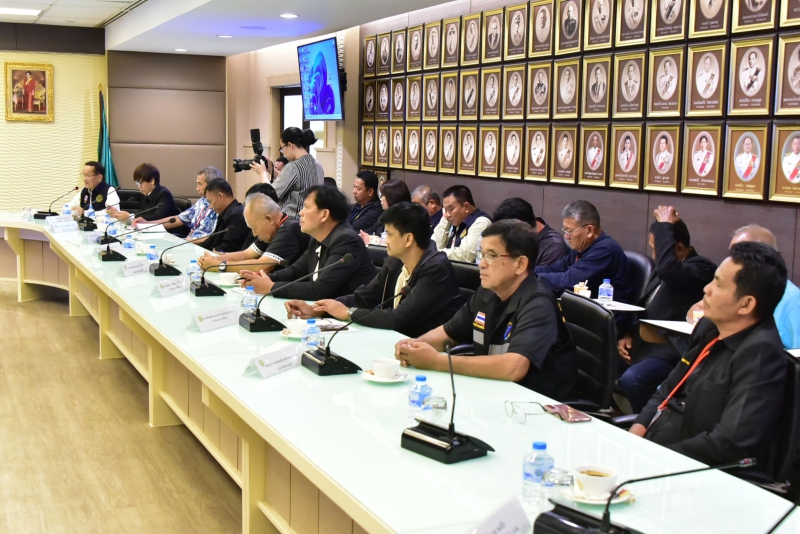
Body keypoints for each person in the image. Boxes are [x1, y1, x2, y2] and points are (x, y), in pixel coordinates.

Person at [630, 242, 789, 466]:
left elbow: (729, 443)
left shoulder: (761, 354)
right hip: (653, 448)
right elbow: (667, 389)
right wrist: (634, 437)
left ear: (746, 304)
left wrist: (657, 457)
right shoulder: (708, 327)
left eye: (719, 285)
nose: (707, 289)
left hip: (690, 466)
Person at [395, 220, 577, 400]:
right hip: (494, 394)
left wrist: (437, 362)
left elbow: (513, 367)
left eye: (491, 256)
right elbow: (449, 333)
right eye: (481, 254)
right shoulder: (487, 292)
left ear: (520, 264)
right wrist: (413, 346)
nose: (482, 263)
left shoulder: (538, 304)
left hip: (539, 406)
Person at [286, 203, 462, 337]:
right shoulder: (395, 261)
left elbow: (399, 318)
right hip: (391, 341)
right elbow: (364, 297)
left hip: (424, 350)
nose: (385, 241)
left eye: (389, 235)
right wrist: (319, 309)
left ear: (408, 239)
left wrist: (348, 313)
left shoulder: (436, 269)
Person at [618, 206, 717, 412]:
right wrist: (627, 335)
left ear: (678, 248)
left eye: (657, 248)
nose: (655, 255)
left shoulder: (701, 268)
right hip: (643, 343)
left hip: (669, 349)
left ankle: (650, 422)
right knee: (595, 361)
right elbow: (645, 306)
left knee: (633, 379)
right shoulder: (666, 266)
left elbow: (668, 270)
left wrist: (664, 226)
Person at [238, 185, 376, 300]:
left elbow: (320, 289)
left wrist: (270, 287)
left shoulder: (346, 241)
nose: (301, 213)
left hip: (352, 317)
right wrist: (261, 278)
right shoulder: (317, 239)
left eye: (306, 207)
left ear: (324, 214)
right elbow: (296, 271)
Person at [687, 225, 800, 350]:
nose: (730, 259)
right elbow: (694, 311)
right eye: (731, 253)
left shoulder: (792, 301)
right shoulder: (729, 284)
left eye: (738, 254)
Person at [535, 200, 633, 304]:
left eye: (569, 231)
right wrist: (526, 271)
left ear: (589, 230)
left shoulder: (605, 250)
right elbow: (555, 268)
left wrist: (530, 278)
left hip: (609, 312)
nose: (566, 236)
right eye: (565, 230)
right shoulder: (582, 248)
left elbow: (570, 280)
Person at [197, 191, 308, 274]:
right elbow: (246, 255)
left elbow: (262, 266)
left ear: (269, 219)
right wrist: (214, 259)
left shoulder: (288, 230)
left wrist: (218, 265)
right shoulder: (272, 229)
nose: (254, 234)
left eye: (254, 228)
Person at [253, 127, 322, 220]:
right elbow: (295, 181)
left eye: (282, 148)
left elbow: (269, 195)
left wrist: (263, 173)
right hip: (312, 221)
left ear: (290, 145)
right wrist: (271, 170)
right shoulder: (317, 164)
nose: (283, 153)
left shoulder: (293, 166)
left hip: (293, 222)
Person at [137, 166, 221, 241]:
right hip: (189, 242)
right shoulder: (201, 202)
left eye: (200, 184)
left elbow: (214, 237)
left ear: (211, 185)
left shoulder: (219, 207)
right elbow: (177, 219)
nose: (197, 188)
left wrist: (189, 242)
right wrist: (147, 224)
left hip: (201, 246)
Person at [492, 198, 567, 267]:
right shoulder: (514, 236)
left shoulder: (553, 247)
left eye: (505, 231)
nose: (503, 235)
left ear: (522, 228)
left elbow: (540, 277)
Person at [432, 185, 492, 263]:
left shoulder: (481, 222)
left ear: (466, 207)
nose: (447, 214)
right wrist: (445, 220)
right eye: (445, 209)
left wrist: (436, 253)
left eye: (451, 209)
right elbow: (434, 245)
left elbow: (465, 256)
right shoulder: (455, 220)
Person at [109, 163, 178, 223]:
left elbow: (157, 218)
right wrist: (119, 213)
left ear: (152, 181)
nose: (139, 187)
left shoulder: (164, 194)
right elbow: (142, 213)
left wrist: (130, 217)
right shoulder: (147, 194)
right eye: (137, 183)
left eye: (140, 183)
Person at [196, 178, 249, 253]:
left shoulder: (237, 215)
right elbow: (210, 241)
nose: (210, 207)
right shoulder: (225, 214)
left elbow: (227, 248)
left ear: (220, 196)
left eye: (210, 202)